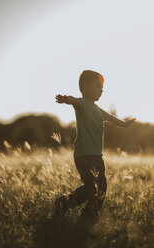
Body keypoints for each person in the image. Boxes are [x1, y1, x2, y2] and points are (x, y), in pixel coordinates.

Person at [55, 70, 136, 221]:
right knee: (91, 188)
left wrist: (125, 124)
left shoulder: (99, 111)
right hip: (83, 155)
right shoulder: (82, 104)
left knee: (102, 187)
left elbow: (112, 118)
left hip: (97, 157)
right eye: (98, 86)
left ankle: (91, 215)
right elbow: (74, 100)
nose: (101, 89)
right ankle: (64, 203)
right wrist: (65, 99)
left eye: (102, 87)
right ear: (85, 87)